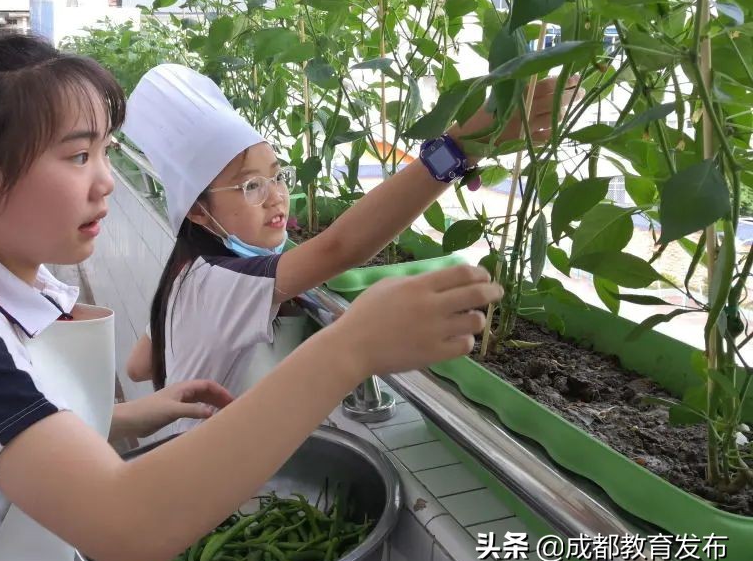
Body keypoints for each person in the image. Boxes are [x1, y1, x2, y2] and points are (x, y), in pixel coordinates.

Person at [0, 34, 500, 561]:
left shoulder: (9, 280)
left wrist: (129, 414)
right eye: (77, 155)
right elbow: (129, 528)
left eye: (105, 151)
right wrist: (352, 345)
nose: (105, 178)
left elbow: (6, 425)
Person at [124, 64, 577, 416]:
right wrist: (457, 149)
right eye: (250, 187)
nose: (276, 197)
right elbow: (339, 248)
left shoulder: (187, 271)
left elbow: (139, 366)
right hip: (202, 482)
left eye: (276, 176)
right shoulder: (220, 282)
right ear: (200, 211)